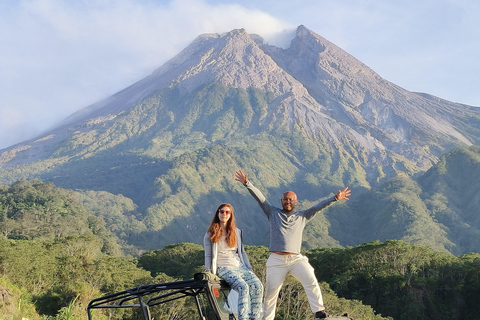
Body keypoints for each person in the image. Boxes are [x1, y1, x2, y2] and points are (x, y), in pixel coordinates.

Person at [235, 169, 351, 320]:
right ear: (281, 201)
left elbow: (318, 207)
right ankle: (267, 318)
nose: (288, 201)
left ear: (296, 202)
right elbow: (261, 198)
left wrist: (335, 198)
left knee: (311, 279)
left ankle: (319, 312)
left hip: (296, 259)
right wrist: (247, 183)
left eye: (291, 199)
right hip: (276, 260)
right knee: (271, 293)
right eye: (285, 199)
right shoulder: (272, 213)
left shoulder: (302, 216)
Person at [204, 203, 264, 320]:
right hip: (223, 267)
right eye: (222, 211)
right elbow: (208, 254)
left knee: (258, 286)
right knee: (243, 287)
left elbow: (242, 252)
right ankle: (243, 318)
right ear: (218, 213)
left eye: (227, 212)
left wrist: (248, 266)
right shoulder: (210, 233)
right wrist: (208, 271)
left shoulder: (236, 232)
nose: (224, 214)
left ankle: (254, 317)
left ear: (231, 215)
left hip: (240, 266)